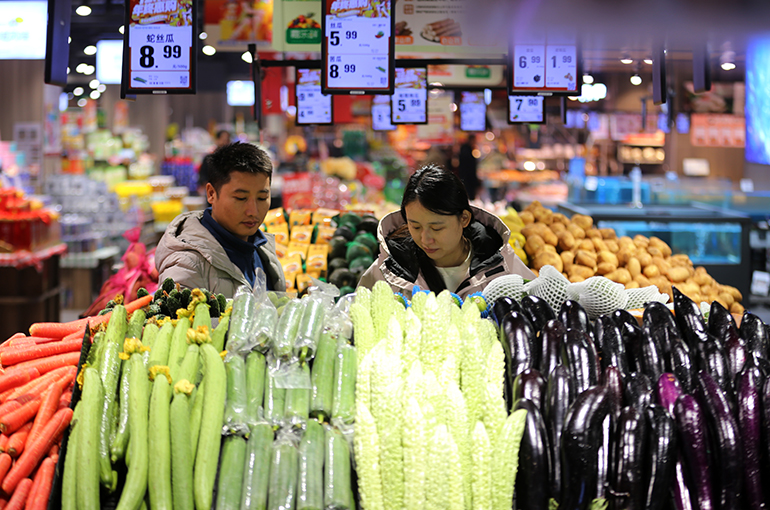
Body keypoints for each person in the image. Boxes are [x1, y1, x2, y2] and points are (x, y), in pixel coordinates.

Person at [358, 164, 534, 299]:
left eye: (437, 228)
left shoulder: (501, 264)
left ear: (464, 218)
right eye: (415, 226)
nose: (425, 239)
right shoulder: (389, 269)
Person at [156, 142, 286, 296]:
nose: (253, 211)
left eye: (262, 198)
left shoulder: (262, 249)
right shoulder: (187, 267)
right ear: (211, 193)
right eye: (241, 198)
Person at [197, 130, 232, 195]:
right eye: (223, 139)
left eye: (227, 140)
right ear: (217, 140)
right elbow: (203, 176)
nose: (225, 142)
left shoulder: (232, 159)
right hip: (211, 192)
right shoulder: (208, 158)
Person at [457, 133, 480, 200]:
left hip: (466, 177)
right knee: (469, 195)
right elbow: (470, 167)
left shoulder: (465, 149)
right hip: (468, 178)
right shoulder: (467, 151)